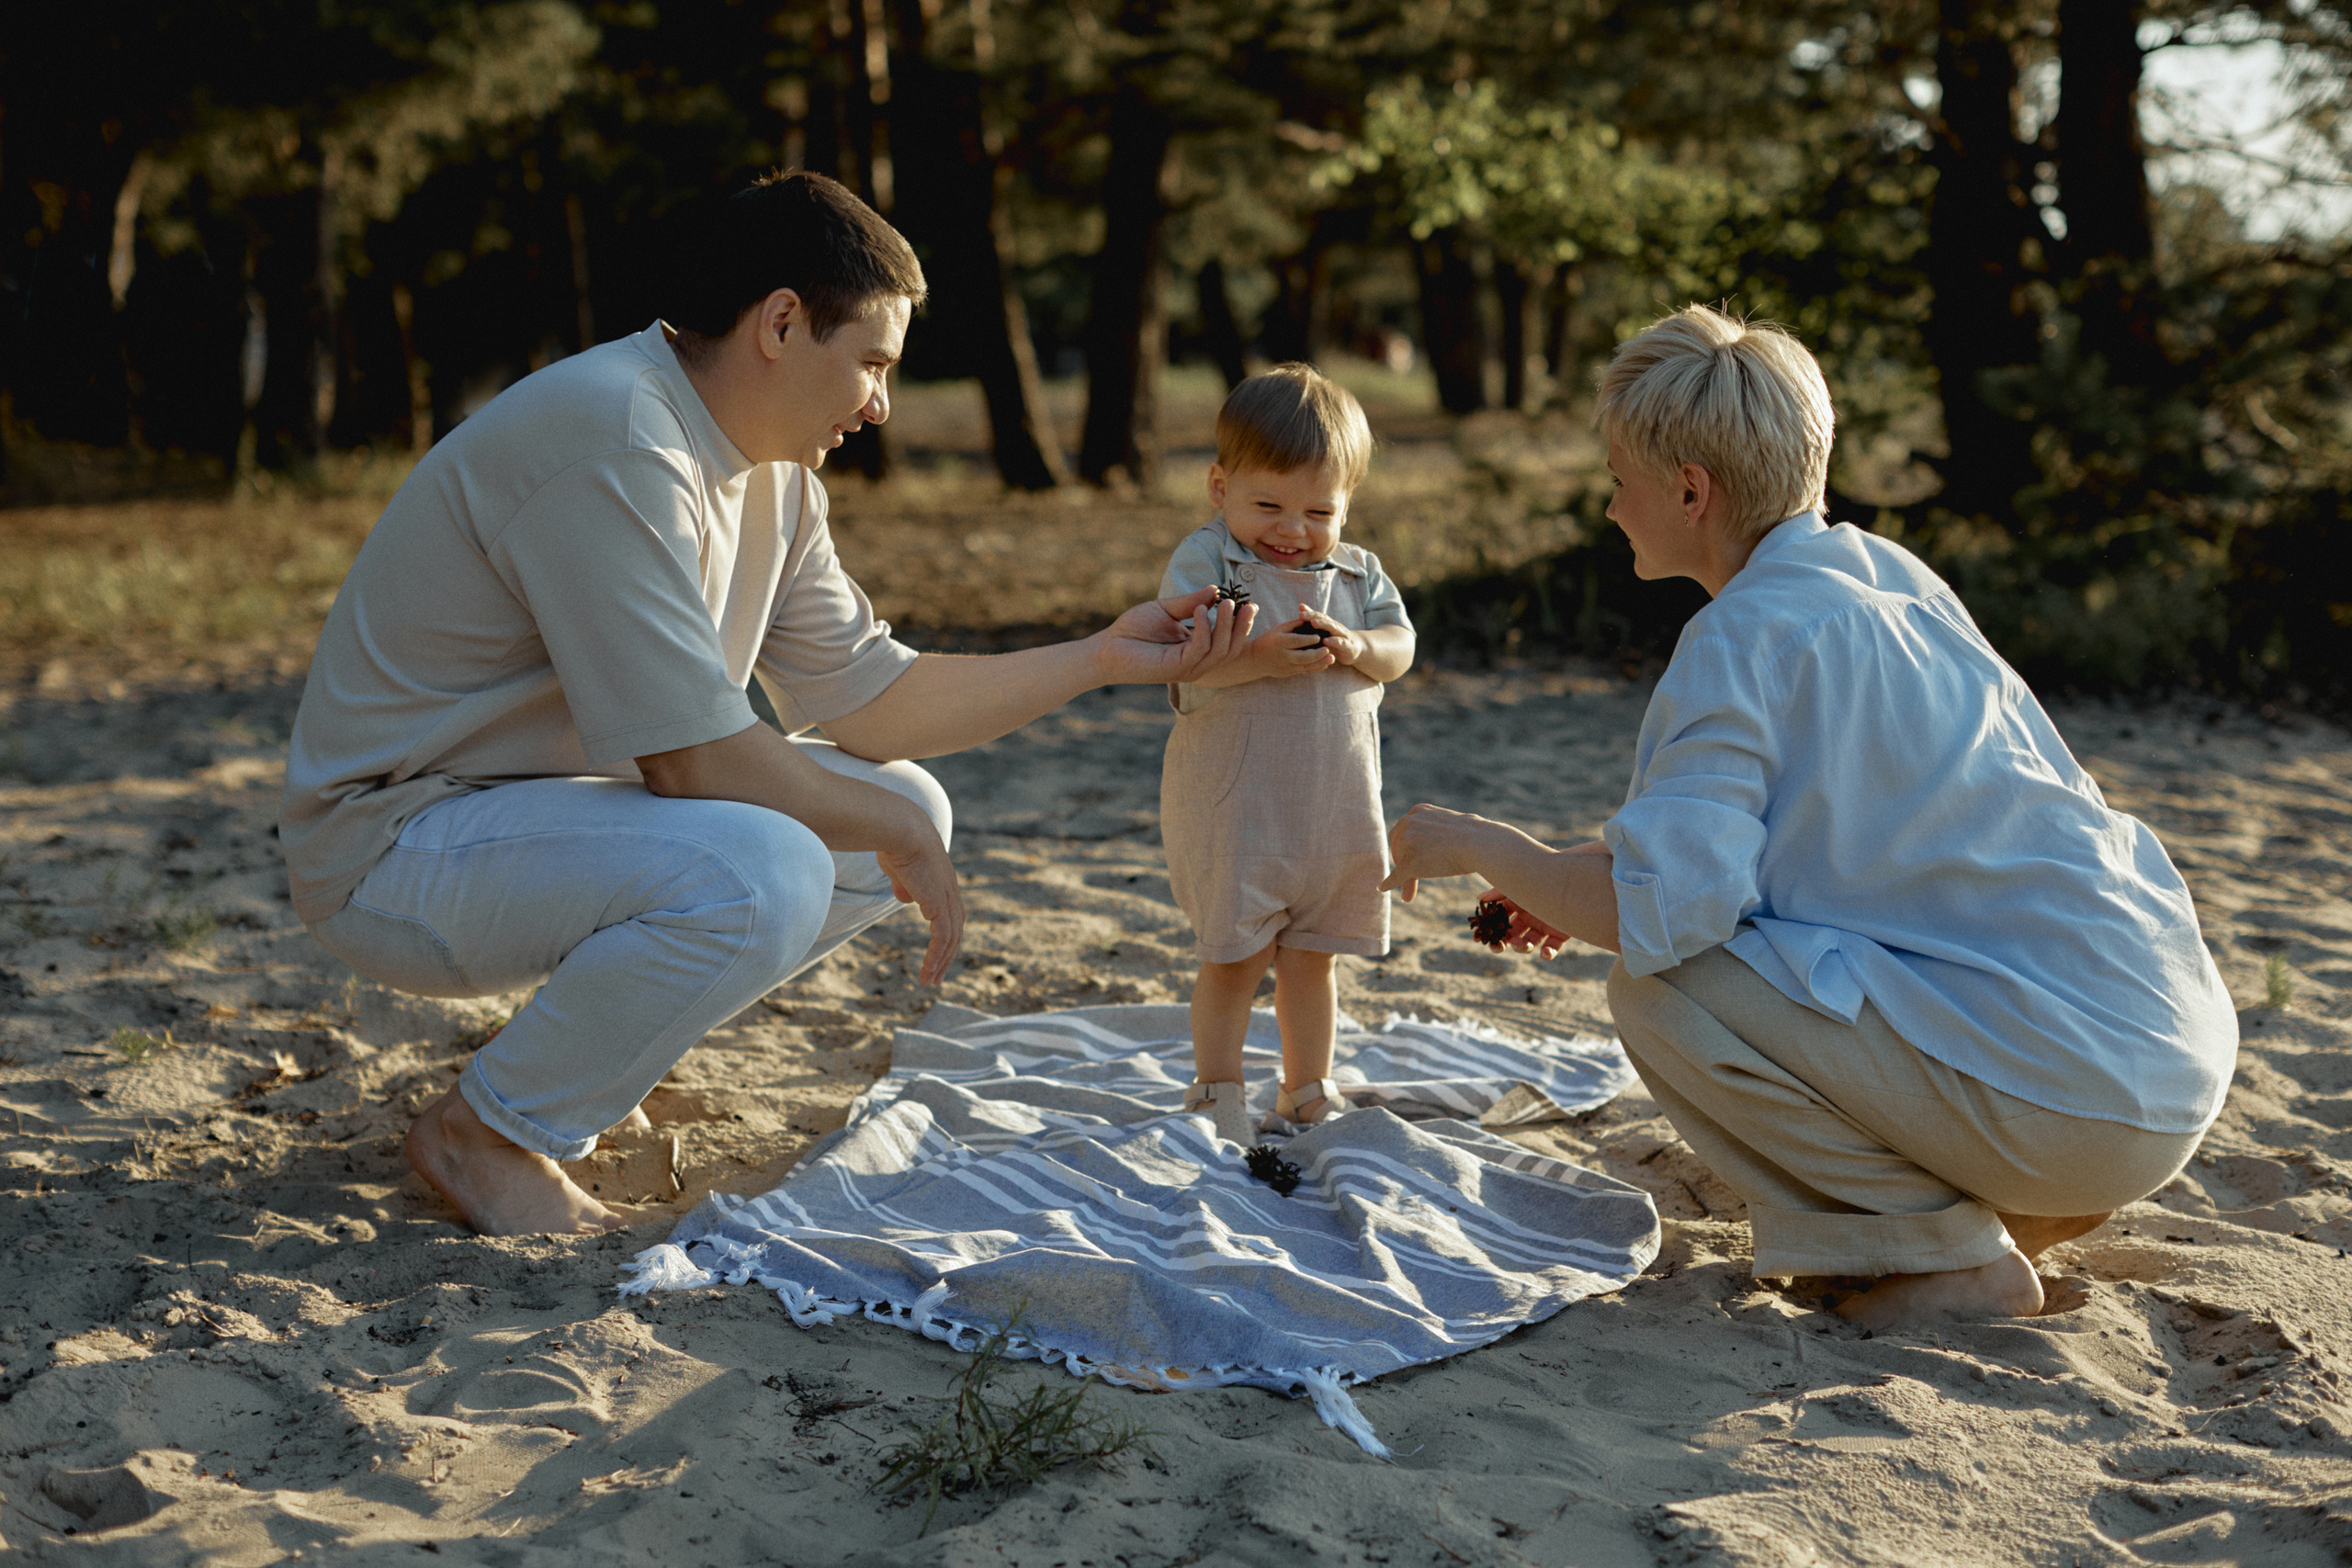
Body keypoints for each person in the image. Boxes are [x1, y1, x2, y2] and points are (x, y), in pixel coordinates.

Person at [279, 172, 1251, 1237]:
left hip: (525, 829)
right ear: (781, 323)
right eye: (872, 364)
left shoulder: (774, 479)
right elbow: (692, 762)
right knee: (773, 864)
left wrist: (1102, 657)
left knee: (901, 804)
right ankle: (484, 1137)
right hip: (391, 852)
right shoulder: (615, 436)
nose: (880, 405)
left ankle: (584, 1065)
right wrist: (891, 832)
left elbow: (872, 701)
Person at [1382, 305, 2236, 1329]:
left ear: (1690, 490)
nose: (1610, 507)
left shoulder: (1737, 636)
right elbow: (1801, 819)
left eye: (1618, 479)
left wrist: (1484, 845)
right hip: (2162, 1058)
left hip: (2072, 1098)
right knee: (1721, 951)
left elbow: (1664, 914)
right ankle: (2012, 1211)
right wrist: (1571, 869)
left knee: (1661, 986)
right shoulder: (1888, 577)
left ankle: (1955, 1262)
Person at [1158, 366, 1417, 1146]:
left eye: (1320, 511)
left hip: (1332, 809)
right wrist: (1257, 656)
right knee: (1236, 958)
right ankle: (1218, 1091)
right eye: (1268, 505)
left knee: (1314, 956)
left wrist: (1360, 646)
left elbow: (1401, 647)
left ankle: (1305, 1089)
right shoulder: (1208, 562)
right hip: (1238, 805)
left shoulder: (1359, 573)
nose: (1293, 530)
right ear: (1220, 487)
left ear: (1347, 505)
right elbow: (1181, 659)